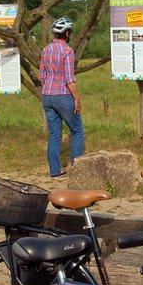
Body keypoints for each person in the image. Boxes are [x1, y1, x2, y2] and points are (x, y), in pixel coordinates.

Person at [39, 17, 84, 178]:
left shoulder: (45, 50)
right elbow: (69, 78)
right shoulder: (67, 51)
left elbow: (42, 75)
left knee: (54, 134)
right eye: (70, 31)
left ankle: (54, 171)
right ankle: (78, 171)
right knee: (77, 130)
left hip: (47, 95)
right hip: (63, 96)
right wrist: (77, 98)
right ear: (66, 33)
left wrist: (49, 86)